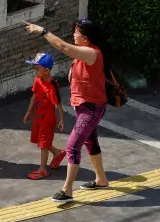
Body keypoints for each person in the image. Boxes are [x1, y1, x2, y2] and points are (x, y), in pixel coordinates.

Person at [24, 17, 111, 203]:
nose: (73, 34)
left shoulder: (91, 53)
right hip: (84, 108)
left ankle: (67, 190)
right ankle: (101, 179)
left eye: (77, 32)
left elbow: (63, 47)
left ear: (85, 37)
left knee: (72, 146)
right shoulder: (82, 54)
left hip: (91, 109)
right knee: (90, 142)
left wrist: (43, 31)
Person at [22, 51, 66, 179]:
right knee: (41, 141)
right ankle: (58, 153)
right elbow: (34, 96)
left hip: (48, 119)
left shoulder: (52, 86)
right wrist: (29, 112)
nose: (35, 71)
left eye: (37, 68)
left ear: (46, 71)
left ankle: (43, 170)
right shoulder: (38, 81)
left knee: (43, 144)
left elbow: (58, 103)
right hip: (38, 117)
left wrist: (62, 119)